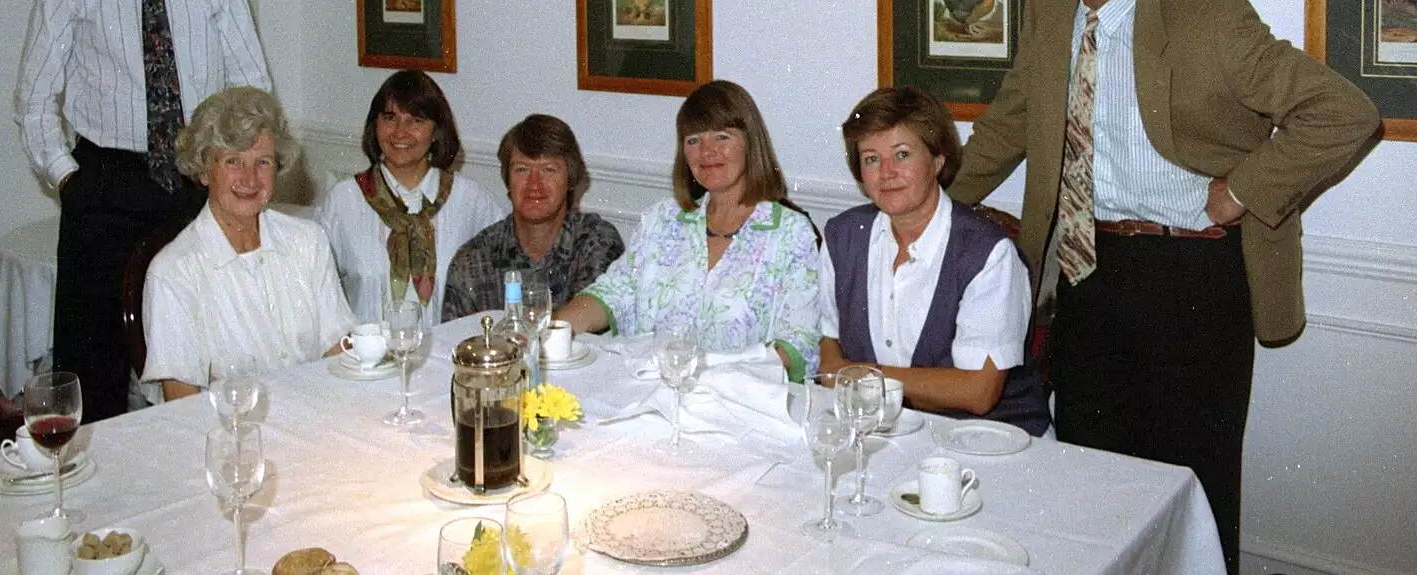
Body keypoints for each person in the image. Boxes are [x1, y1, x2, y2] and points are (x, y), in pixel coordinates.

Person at [945, 0, 1380, 573]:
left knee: (1194, 489)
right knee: (1091, 484)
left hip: (1194, 275)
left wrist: (1242, 188)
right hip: (1084, 272)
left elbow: (1344, 112)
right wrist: (923, 203)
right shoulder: (1046, 13)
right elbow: (1008, 127)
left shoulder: (1209, 18)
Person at [14, 0, 271, 420]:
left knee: (202, 353)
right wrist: (69, 179)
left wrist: (235, 168)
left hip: (196, 180)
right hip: (104, 185)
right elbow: (32, 98)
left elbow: (251, 85)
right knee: (94, 368)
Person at [818, 87, 1049, 436]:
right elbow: (828, 344)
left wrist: (860, 375)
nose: (887, 172)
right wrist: (843, 369)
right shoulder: (842, 237)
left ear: (938, 160)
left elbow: (978, 393)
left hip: (992, 440)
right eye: (871, 159)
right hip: (886, 434)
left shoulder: (988, 253)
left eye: (903, 154)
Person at [558, 80, 821, 380]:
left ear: (751, 143)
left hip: (742, 407)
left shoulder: (790, 233)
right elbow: (612, 292)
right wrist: (551, 331)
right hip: (653, 396)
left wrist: (706, 371)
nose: (706, 151)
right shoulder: (662, 220)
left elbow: (799, 345)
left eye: (722, 136)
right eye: (693, 139)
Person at [142, 87, 353, 400]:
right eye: (233, 161)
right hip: (232, 437)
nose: (250, 179)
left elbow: (339, 357)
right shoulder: (173, 273)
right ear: (203, 170)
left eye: (263, 162)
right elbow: (181, 408)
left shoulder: (309, 242)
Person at [317, 70, 504, 325]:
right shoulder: (343, 201)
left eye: (416, 120)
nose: (400, 133)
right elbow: (318, 296)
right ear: (375, 126)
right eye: (390, 118)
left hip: (446, 358)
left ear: (436, 131)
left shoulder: (472, 203)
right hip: (367, 358)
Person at [441, 114, 625, 321]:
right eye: (522, 169)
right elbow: (451, 348)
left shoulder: (597, 243)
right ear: (507, 179)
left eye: (548, 170)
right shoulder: (473, 261)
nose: (534, 184)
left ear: (570, 179)